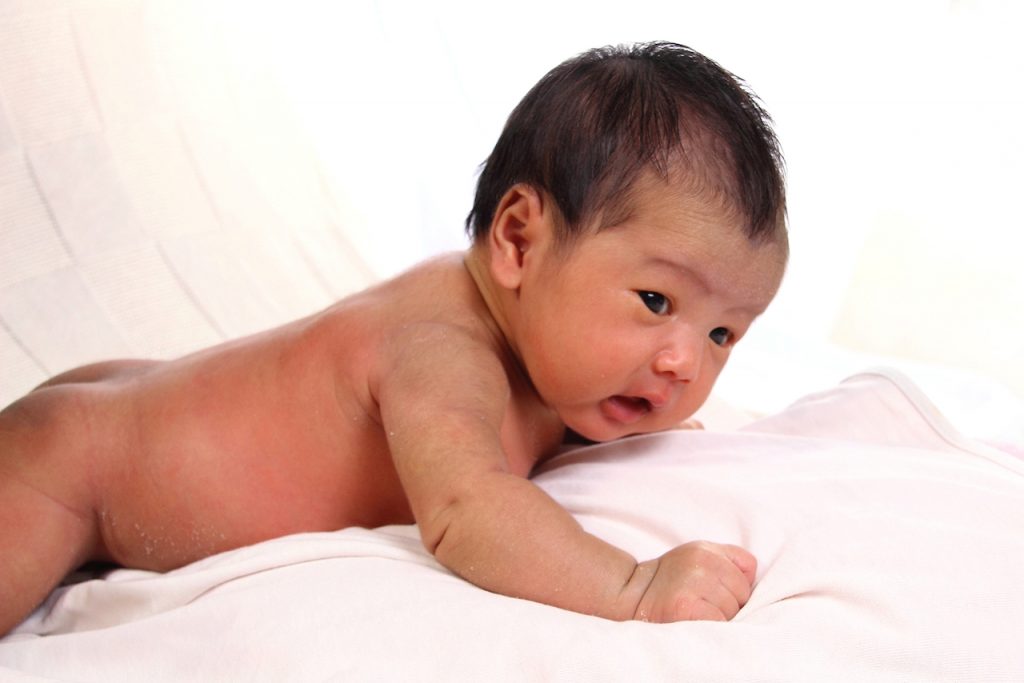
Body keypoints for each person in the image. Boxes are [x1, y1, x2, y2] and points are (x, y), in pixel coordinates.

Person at [0, 41, 788, 636]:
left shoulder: (552, 362)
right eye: (655, 300)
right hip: (77, 466)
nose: (685, 361)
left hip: (138, 399)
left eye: (723, 332)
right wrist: (633, 587)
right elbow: (468, 510)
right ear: (518, 241)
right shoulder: (442, 349)